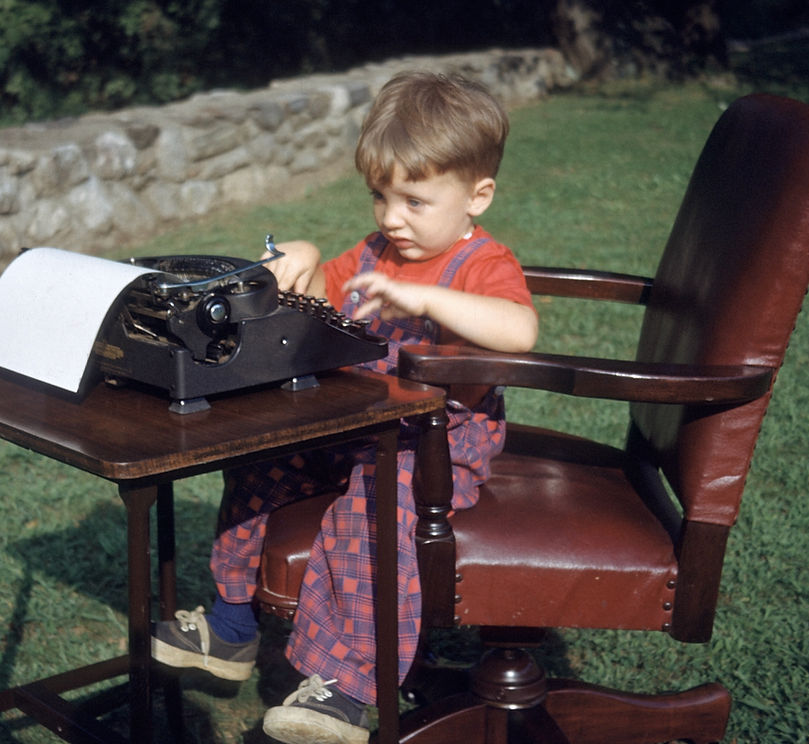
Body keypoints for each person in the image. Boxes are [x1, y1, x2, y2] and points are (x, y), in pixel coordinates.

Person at [151, 71, 538, 744]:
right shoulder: (378, 251)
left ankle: (349, 689)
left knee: (372, 505)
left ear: (478, 196)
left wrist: (426, 301)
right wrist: (295, 257)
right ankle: (232, 623)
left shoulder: (482, 264)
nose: (391, 218)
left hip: (436, 443)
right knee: (257, 460)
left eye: (415, 201)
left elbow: (519, 330)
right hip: (354, 422)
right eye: (380, 197)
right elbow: (321, 290)